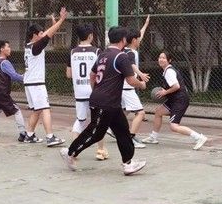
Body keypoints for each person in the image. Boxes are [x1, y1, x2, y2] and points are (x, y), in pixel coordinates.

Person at [60, 26, 147, 175]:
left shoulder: (103, 55)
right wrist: (141, 84)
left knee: (123, 131)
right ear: (123, 40)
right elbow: (131, 80)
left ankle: (128, 163)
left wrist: (96, 91)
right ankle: (70, 152)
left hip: (110, 103)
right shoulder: (121, 56)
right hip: (106, 102)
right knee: (96, 133)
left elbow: (92, 75)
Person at [141, 51, 208, 150]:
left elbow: (176, 86)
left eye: (164, 58)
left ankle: (199, 137)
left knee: (174, 126)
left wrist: (165, 92)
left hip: (180, 100)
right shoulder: (167, 70)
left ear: (169, 60)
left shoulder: (169, 71)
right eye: (160, 57)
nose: (161, 59)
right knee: (158, 112)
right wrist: (165, 91)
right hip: (174, 99)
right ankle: (153, 137)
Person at [23, 7, 67, 147]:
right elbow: (47, 36)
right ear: (34, 35)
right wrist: (61, 20)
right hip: (36, 83)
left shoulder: (29, 46)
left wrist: (54, 24)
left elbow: (47, 35)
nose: (43, 35)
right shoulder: (35, 47)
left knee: (37, 110)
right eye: (41, 33)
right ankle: (50, 137)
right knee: (45, 108)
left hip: (29, 83)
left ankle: (29, 135)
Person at [65, 23, 109, 160]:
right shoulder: (97, 52)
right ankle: (100, 150)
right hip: (94, 92)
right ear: (90, 36)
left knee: (80, 121)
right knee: (98, 122)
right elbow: (101, 72)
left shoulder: (72, 52)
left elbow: (69, 74)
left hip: (79, 92)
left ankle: (73, 151)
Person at [121, 17, 151, 148]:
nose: (140, 40)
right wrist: (141, 75)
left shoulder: (125, 50)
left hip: (122, 87)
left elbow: (140, 35)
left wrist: (146, 24)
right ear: (134, 40)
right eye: (138, 39)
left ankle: (112, 128)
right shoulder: (131, 53)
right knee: (140, 113)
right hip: (128, 87)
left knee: (124, 111)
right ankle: (130, 138)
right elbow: (132, 65)